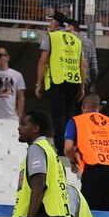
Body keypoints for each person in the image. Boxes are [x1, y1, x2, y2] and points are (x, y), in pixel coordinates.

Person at [64, 92, 109, 212]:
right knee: (108, 209)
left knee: (88, 210)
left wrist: (73, 161)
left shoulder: (76, 121)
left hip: (93, 168)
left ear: (83, 105)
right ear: (99, 107)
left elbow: (68, 147)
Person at [35, 13, 87, 151]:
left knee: (58, 116)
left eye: (50, 21)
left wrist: (38, 83)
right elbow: (83, 64)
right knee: (69, 116)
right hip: (74, 81)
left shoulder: (51, 37)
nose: (49, 24)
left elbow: (43, 61)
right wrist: (82, 86)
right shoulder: (76, 39)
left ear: (56, 23)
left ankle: (61, 147)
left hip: (57, 80)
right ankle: (71, 144)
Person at [0, 47, 26, 120]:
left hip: (11, 116)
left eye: (0, 55)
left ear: (7, 58)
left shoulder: (17, 75)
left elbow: (21, 96)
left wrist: (19, 115)